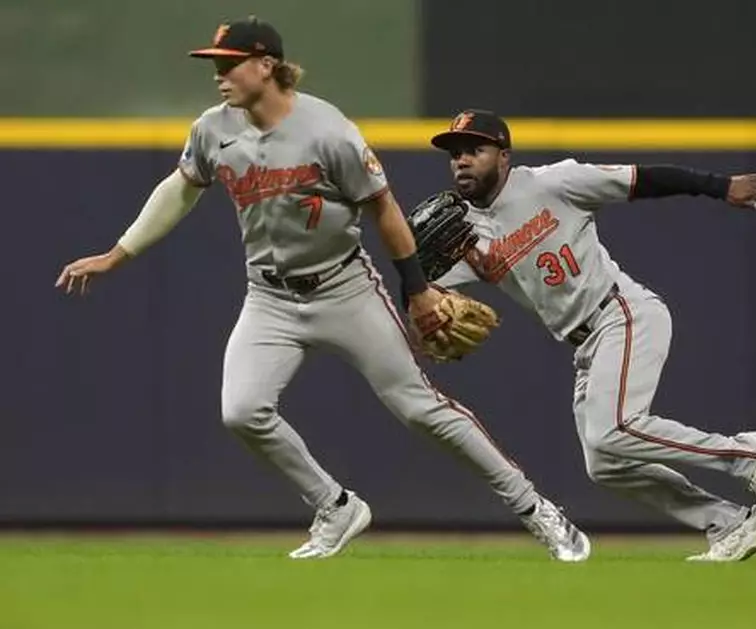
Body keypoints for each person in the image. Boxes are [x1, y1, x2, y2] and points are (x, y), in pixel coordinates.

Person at [53, 17, 589, 562]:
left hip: (345, 288)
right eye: (215, 64)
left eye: (229, 63)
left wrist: (418, 290)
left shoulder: (328, 131)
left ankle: (537, 509)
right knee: (242, 411)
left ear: (267, 66)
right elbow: (180, 189)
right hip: (268, 298)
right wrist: (116, 253)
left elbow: (383, 207)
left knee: (421, 408)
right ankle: (335, 506)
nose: (219, 75)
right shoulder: (214, 130)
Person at [423, 109, 756, 561]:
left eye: (474, 150)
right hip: (585, 345)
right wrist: (422, 300)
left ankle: (747, 455)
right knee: (605, 464)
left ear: (503, 155)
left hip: (621, 312)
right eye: (455, 154)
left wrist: (719, 186)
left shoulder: (552, 182)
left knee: (615, 429)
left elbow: (643, 179)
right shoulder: (463, 233)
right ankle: (730, 522)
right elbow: (427, 293)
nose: (461, 161)